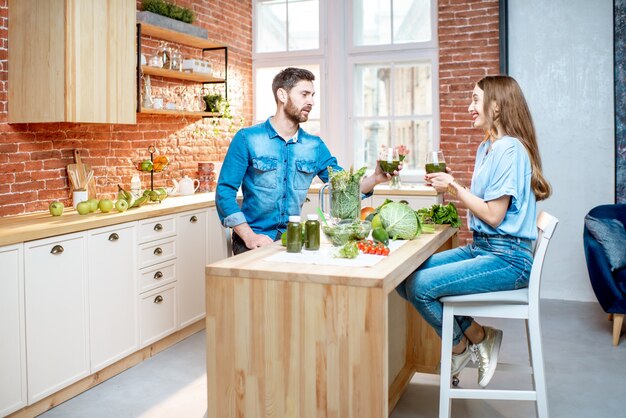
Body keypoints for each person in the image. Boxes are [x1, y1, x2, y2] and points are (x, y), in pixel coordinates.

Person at [396, 75, 551, 388]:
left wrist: (452, 186)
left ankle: (458, 347)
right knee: (404, 278)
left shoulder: (510, 150)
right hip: (484, 249)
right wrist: (453, 182)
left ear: (495, 106)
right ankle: (477, 337)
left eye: (475, 100)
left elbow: (494, 215)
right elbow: (485, 201)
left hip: (509, 259)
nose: (469, 106)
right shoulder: (488, 148)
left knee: (422, 285)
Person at [216, 67, 398, 255]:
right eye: (304, 94)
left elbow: (345, 187)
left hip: (293, 238)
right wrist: (248, 236)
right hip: (252, 239)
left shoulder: (314, 146)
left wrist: (375, 178)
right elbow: (224, 192)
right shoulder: (247, 138)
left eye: (312, 95)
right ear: (282, 95)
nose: (311, 101)